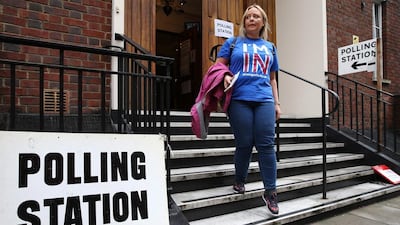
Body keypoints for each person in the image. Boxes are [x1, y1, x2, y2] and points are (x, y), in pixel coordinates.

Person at [215, 4, 281, 215]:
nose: (251, 19)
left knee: (266, 145)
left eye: (256, 16)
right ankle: (239, 179)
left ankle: (270, 192)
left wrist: (277, 103)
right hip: (239, 99)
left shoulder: (270, 47)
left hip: (264, 99)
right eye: (248, 16)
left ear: (262, 22)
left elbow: (272, 78)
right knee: (244, 143)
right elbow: (218, 66)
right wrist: (225, 74)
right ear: (244, 22)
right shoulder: (232, 43)